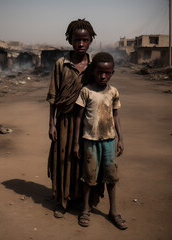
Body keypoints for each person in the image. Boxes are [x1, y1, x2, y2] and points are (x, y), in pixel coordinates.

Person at [46, 19, 96, 218]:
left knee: (85, 160)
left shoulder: (94, 66)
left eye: (85, 40)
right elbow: (52, 97)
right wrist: (51, 123)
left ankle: (82, 201)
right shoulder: (61, 64)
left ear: (91, 40)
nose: (81, 44)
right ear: (70, 40)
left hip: (88, 122)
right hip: (64, 121)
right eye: (77, 40)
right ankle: (63, 200)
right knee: (63, 159)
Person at [73, 52, 127, 230]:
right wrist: (76, 143)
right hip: (90, 141)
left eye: (107, 73)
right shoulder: (86, 91)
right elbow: (79, 119)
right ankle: (86, 209)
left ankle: (113, 211)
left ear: (112, 73)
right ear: (93, 72)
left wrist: (120, 138)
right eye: (99, 72)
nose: (103, 76)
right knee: (89, 177)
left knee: (111, 178)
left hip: (109, 141)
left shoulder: (113, 92)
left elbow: (116, 115)